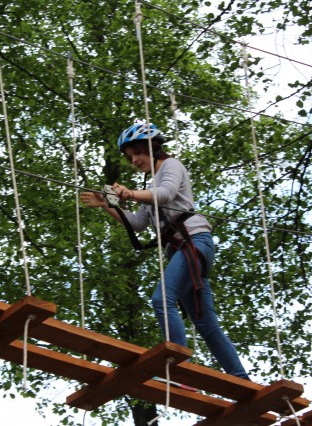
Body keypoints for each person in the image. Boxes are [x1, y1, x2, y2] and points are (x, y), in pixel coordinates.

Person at [79, 123, 249, 380]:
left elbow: (167, 194)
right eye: (130, 157)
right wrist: (106, 205)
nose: (135, 160)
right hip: (184, 249)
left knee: (161, 299)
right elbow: (138, 223)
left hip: (194, 242)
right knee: (206, 325)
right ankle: (241, 380)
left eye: (138, 152)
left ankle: (177, 369)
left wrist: (131, 193)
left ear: (154, 147)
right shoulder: (152, 186)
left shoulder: (172, 166)